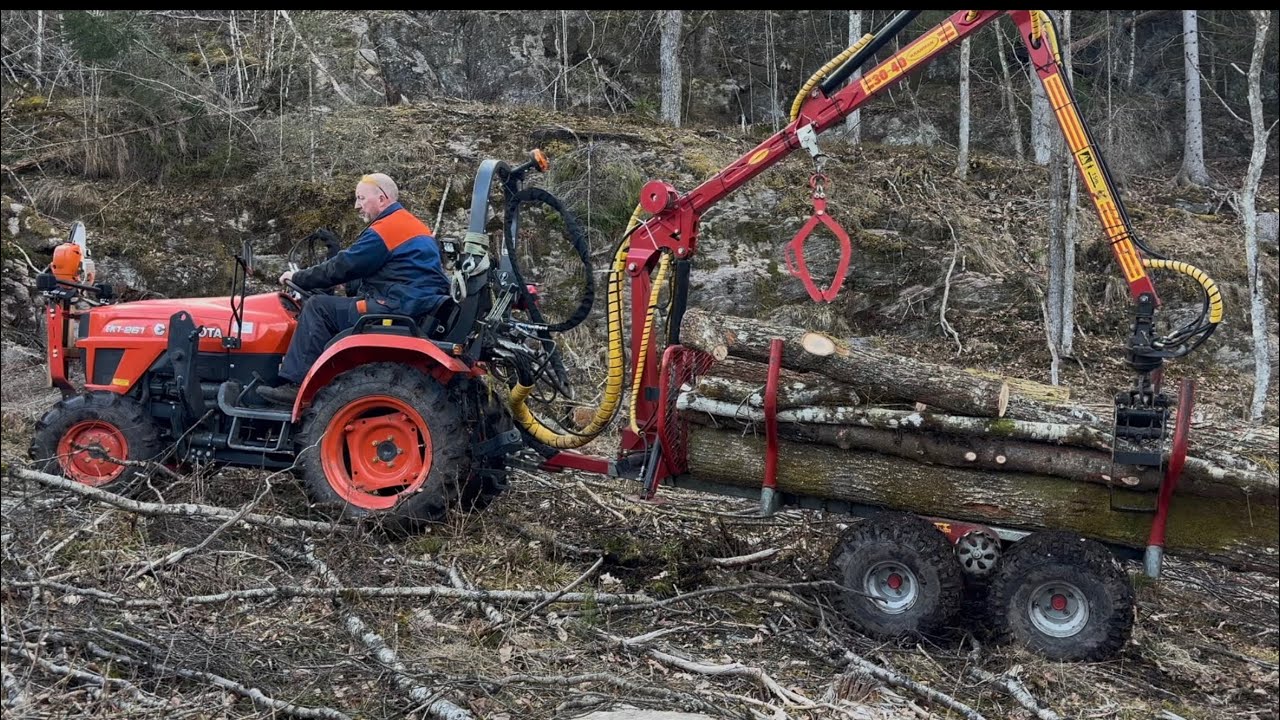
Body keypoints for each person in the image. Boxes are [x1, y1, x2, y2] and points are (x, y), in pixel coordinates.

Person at [258, 173, 450, 406]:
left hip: (398, 306)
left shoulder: (387, 229)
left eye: (361, 198)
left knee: (318, 307)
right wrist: (344, 282)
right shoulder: (413, 225)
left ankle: (295, 384)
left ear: (382, 198)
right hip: (412, 302)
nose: (357, 205)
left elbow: (345, 265)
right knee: (328, 303)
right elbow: (388, 272)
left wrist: (298, 277)